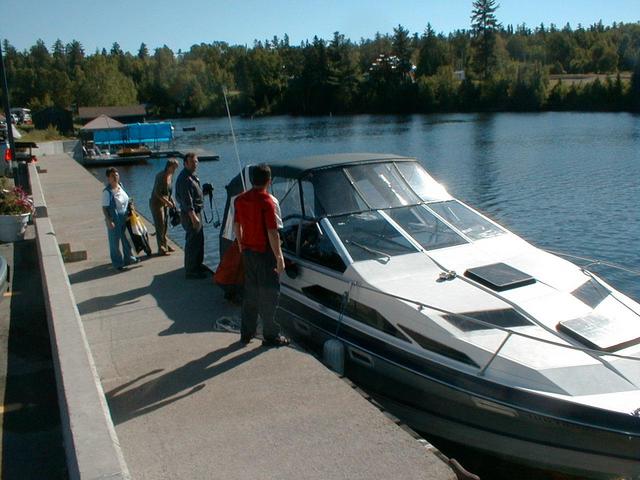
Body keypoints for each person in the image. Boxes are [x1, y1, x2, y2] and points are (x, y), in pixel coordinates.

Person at [234, 163, 289, 347]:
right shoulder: (267, 202)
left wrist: (241, 244)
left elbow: (237, 225)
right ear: (269, 181)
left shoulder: (240, 200)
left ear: (251, 180)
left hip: (248, 252)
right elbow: (272, 232)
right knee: (269, 296)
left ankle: (246, 333)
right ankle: (270, 335)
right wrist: (279, 257)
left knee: (250, 293)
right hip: (265, 254)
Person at [175, 152, 206, 279]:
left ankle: (197, 266)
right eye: (192, 162)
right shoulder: (184, 179)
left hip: (196, 212)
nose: (195, 164)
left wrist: (205, 192)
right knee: (193, 242)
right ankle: (191, 271)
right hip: (190, 215)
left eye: (196, 162)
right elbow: (187, 201)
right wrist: (193, 217)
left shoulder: (191, 176)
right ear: (185, 163)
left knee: (199, 241)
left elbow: (194, 195)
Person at [101, 167, 139, 271]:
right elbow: (104, 208)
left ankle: (129, 258)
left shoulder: (121, 186)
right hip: (114, 218)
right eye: (113, 176)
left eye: (117, 175)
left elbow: (127, 199)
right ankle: (117, 263)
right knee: (114, 242)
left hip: (124, 216)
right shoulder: (107, 192)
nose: (116, 177)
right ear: (108, 178)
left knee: (126, 238)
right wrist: (109, 220)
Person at [149, 158, 179, 255]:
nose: (175, 170)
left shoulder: (171, 176)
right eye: (174, 168)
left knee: (165, 224)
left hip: (165, 203)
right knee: (160, 225)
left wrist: (172, 201)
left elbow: (169, 191)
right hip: (156, 204)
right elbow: (157, 192)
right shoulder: (161, 176)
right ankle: (160, 248)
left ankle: (165, 244)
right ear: (169, 166)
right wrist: (167, 201)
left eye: (176, 168)